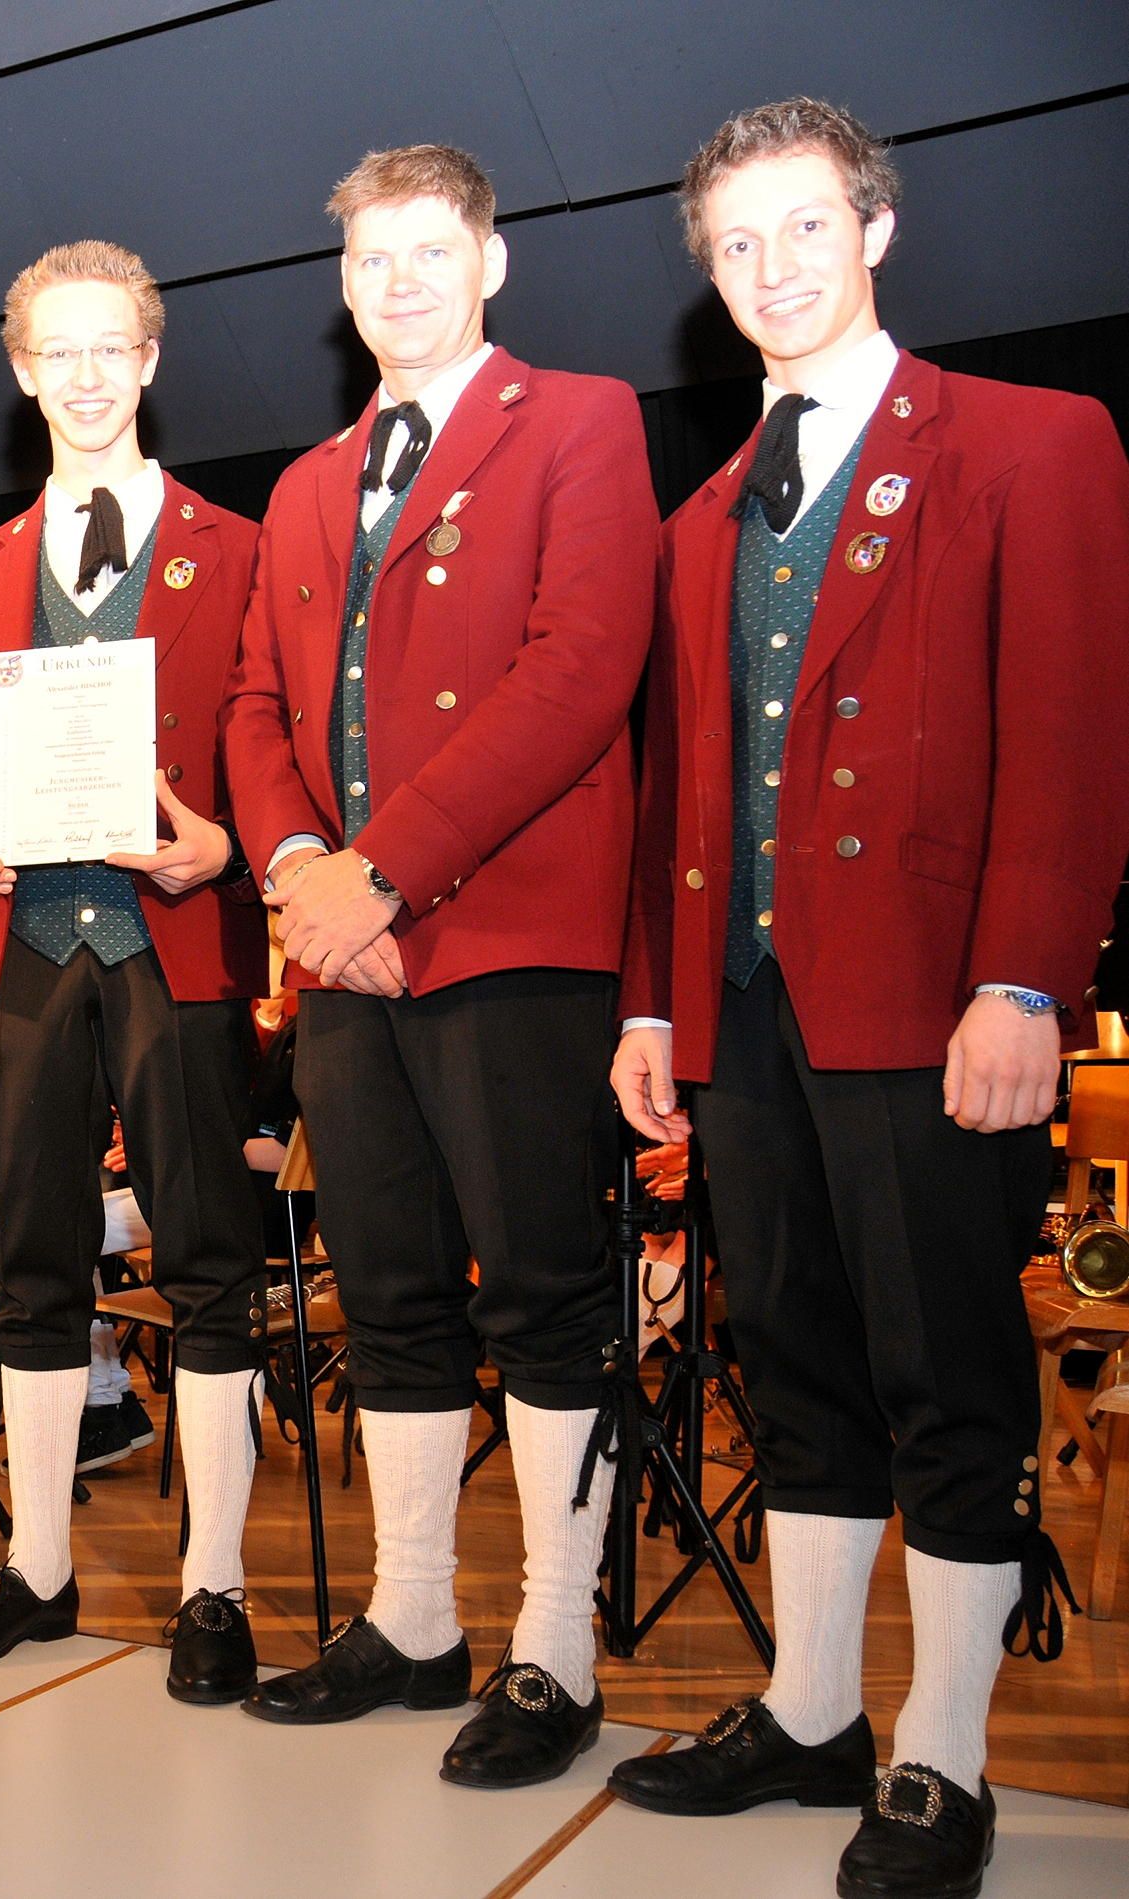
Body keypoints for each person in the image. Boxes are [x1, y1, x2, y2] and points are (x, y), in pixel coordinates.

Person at [605, 99, 1129, 1898]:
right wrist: (651, 1008)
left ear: (874, 230)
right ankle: (812, 1706)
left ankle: (943, 1750)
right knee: (792, 1366)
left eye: (802, 229)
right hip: (743, 1007)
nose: (769, 270)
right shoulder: (695, 520)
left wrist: (1021, 978)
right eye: (733, 246)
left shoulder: (1032, 440)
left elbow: (1068, 734)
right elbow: (678, 793)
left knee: (944, 1376)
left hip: (933, 1000)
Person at [219, 143, 658, 1787]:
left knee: (540, 1296)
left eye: (427, 250)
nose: (396, 282)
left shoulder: (582, 420)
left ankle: (554, 1648)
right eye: (368, 259)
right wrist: (298, 874)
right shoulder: (303, 483)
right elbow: (252, 706)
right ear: (340, 286)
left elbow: (579, 669)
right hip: (344, 955)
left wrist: (380, 873)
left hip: (509, 935)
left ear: (491, 261)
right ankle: (411, 1619)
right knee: (388, 1294)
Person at [0, 240, 274, 1690]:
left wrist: (226, 844)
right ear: (20, 370)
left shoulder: (239, 549)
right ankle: (40, 1568)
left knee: (208, 1260)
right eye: (54, 350)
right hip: (22, 950)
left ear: (149, 359)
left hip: (174, 939)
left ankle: (213, 1585)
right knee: (32, 1258)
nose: (82, 374)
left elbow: (267, 745)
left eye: (107, 346)